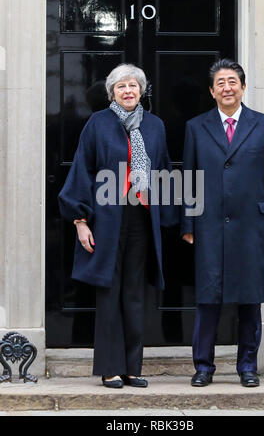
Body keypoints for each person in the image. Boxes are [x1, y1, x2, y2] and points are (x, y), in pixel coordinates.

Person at [58, 63, 175, 389]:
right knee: (109, 292)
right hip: (106, 219)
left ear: (141, 91)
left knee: (135, 294)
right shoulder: (98, 124)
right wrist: (80, 221)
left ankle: (132, 367)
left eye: (133, 86)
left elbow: (163, 172)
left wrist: (169, 219)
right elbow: (81, 170)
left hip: (141, 218)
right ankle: (110, 368)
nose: (128, 91)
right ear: (112, 92)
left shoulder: (154, 126)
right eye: (121, 86)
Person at [181, 58, 264, 388]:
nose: (227, 88)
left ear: (242, 87)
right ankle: (203, 367)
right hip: (209, 224)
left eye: (233, 81)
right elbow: (189, 178)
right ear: (212, 92)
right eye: (221, 83)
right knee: (208, 298)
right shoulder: (196, 127)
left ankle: (247, 367)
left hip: (252, 226)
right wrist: (188, 223)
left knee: (249, 299)